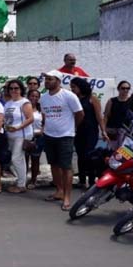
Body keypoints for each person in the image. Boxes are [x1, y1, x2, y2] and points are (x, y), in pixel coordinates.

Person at [40, 70, 84, 212]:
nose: (47, 81)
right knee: (53, 164)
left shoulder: (68, 96)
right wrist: (45, 128)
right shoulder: (43, 97)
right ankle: (59, 191)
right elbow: (44, 116)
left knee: (66, 167)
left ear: (58, 81)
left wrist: (73, 128)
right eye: (46, 79)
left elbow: (79, 114)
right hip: (49, 135)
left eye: (50, 79)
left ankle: (67, 197)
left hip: (65, 136)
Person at [70, 77, 108, 188]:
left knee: (89, 155)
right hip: (78, 130)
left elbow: (99, 116)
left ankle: (91, 180)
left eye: (74, 87)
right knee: (80, 155)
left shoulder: (92, 98)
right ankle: (82, 180)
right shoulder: (74, 98)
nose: (72, 89)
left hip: (90, 130)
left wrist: (103, 131)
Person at [3, 79, 34, 193]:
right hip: (11, 134)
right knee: (19, 159)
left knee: (16, 159)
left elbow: (30, 118)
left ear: (21, 89)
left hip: (21, 134)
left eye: (16, 88)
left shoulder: (24, 102)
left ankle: (21, 185)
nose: (13, 90)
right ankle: (21, 181)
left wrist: (18, 127)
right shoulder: (8, 103)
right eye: (11, 88)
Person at [103, 80, 131, 149]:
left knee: (124, 152)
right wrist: (104, 130)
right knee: (112, 151)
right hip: (112, 130)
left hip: (125, 132)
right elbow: (106, 116)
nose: (125, 90)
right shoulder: (112, 101)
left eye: (127, 88)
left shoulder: (131, 101)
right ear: (118, 89)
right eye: (123, 88)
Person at [26, 89, 44, 189]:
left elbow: (45, 122)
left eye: (36, 96)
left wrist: (42, 130)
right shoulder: (23, 108)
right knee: (24, 159)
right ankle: (23, 179)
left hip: (38, 137)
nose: (34, 98)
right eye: (32, 96)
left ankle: (33, 180)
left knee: (35, 159)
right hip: (26, 137)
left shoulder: (41, 109)